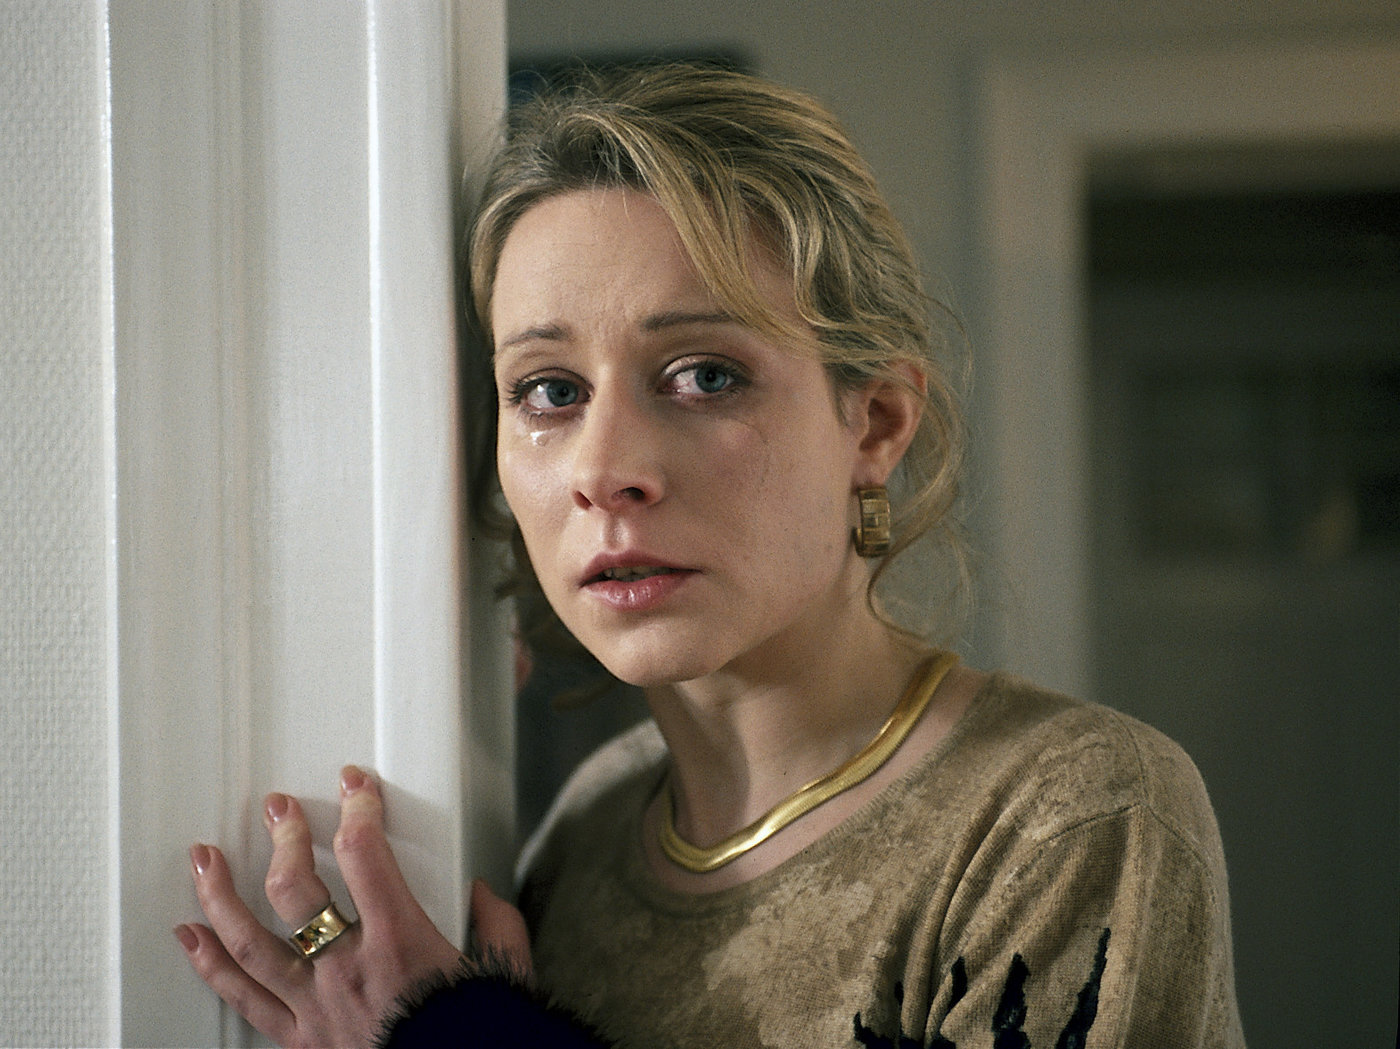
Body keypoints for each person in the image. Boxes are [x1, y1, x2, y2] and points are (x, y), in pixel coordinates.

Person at [175, 63, 1245, 1048]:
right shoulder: (592, 824)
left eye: (703, 376)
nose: (605, 469)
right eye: (549, 390)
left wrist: (453, 1036)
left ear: (874, 423)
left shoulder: (1067, 816)